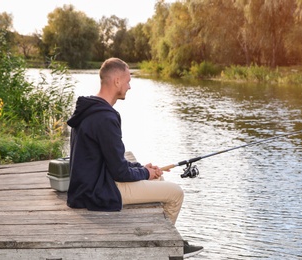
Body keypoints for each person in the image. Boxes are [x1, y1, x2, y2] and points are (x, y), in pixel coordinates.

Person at [66, 57, 203, 258]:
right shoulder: (105, 117)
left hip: (88, 186)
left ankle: (164, 239)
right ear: (117, 82)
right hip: (97, 193)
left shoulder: (90, 110)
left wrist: (143, 169)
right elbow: (120, 172)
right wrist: (144, 172)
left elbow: (111, 160)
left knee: (158, 177)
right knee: (176, 193)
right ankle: (166, 251)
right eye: (128, 81)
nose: (130, 86)